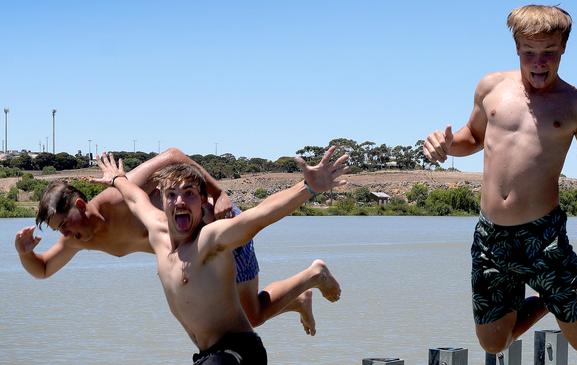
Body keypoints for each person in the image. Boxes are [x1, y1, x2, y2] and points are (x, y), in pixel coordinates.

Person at [423, 5, 577, 353]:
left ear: (563, 49)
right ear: (517, 47)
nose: (539, 62)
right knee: (494, 344)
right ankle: (549, 299)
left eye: (549, 52)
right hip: (491, 236)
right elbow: (472, 135)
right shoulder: (491, 87)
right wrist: (445, 146)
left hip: (541, 236)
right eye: (529, 52)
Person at [15, 148, 338, 336]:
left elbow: (173, 156)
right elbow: (42, 269)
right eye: (59, 231)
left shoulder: (117, 199)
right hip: (191, 260)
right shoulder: (79, 241)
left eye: (65, 226)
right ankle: (298, 298)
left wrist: (219, 192)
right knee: (241, 319)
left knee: (248, 319)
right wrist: (24, 254)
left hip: (217, 230)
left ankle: (312, 276)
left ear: (81, 206)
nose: (65, 236)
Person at [92, 146, 348, 364]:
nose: (180, 201)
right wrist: (117, 178)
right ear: (162, 199)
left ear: (203, 201)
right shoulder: (156, 232)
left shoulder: (210, 241)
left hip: (237, 352)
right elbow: (135, 199)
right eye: (172, 195)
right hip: (207, 355)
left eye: (189, 194)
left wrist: (308, 187)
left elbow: (260, 215)